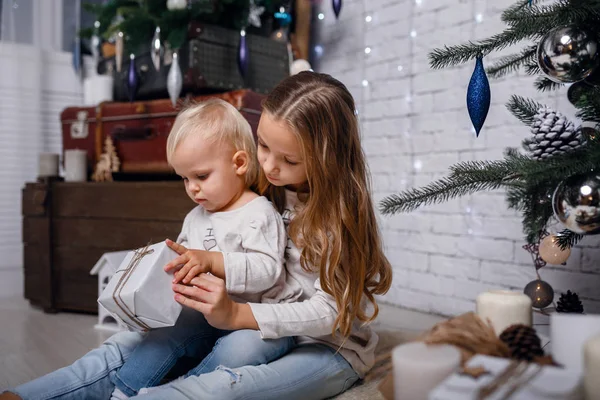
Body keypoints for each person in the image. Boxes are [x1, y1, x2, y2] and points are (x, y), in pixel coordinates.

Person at [2, 71, 393, 400]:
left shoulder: (339, 218)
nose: (269, 165)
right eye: (263, 145)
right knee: (134, 345)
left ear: (326, 160)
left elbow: (328, 313)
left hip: (325, 346)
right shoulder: (262, 191)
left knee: (224, 389)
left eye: (288, 160)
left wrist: (239, 315)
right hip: (246, 321)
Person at [108, 98, 295, 398]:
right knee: (164, 336)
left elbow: (268, 271)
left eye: (201, 176)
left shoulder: (259, 213)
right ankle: (124, 390)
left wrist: (212, 261)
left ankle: (179, 390)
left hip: (253, 319)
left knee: (239, 352)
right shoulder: (195, 217)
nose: (192, 188)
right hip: (205, 316)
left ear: (239, 164)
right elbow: (181, 267)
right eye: (185, 178)